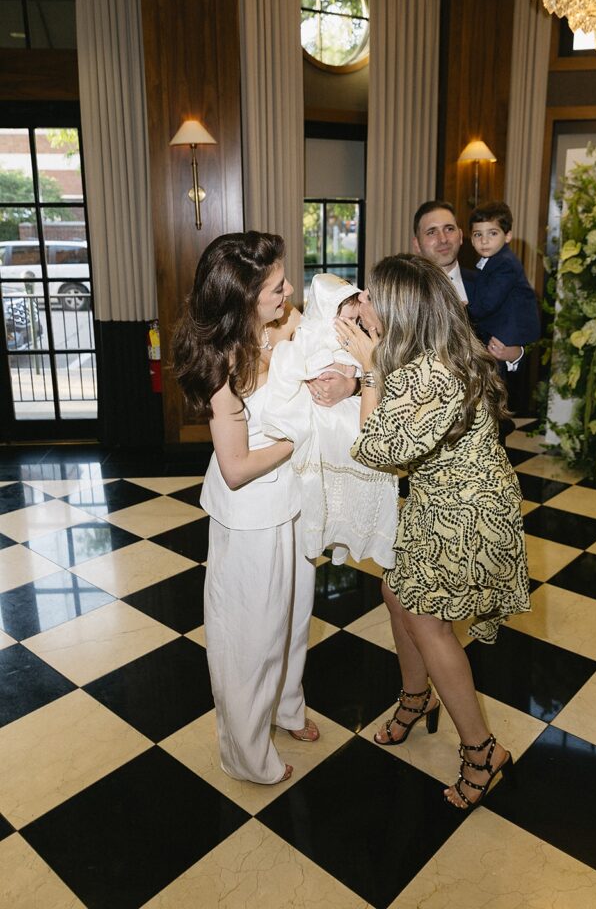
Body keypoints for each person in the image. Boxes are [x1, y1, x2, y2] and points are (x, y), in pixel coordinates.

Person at [335, 254, 530, 810]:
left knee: (427, 620)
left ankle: (482, 752)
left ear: (401, 309)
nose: (362, 301)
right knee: (394, 590)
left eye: (371, 296)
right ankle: (418, 697)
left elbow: (377, 449)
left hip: (464, 513)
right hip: (444, 501)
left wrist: (369, 370)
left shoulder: (433, 373)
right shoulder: (430, 351)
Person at [172, 231, 319, 786]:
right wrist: (298, 438)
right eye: (277, 287)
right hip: (251, 514)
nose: (289, 292)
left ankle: (286, 707)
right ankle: (246, 753)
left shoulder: (278, 323)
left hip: (292, 501)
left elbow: (317, 326)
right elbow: (234, 468)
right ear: (244, 299)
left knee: (293, 619)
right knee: (250, 639)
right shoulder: (222, 366)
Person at [261, 272, 397, 569]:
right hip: (286, 448)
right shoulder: (310, 331)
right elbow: (301, 359)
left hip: (344, 419)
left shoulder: (294, 315)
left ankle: (345, 528)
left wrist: (351, 382)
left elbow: (372, 370)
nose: (289, 290)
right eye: (279, 287)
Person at [411, 199, 524, 368]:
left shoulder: (492, 283)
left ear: (461, 236)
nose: (443, 239)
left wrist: (515, 355)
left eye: (449, 229)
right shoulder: (405, 292)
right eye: (431, 232)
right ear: (417, 244)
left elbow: (518, 330)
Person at [466, 201, 541, 355]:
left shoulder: (505, 263)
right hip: (499, 326)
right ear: (472, 239)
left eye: (492, 233)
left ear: (507, 236)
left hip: (510, 331)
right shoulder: (492, 259)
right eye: (478, 234)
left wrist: (462, 309)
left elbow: (487, 303)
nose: (484, 241)